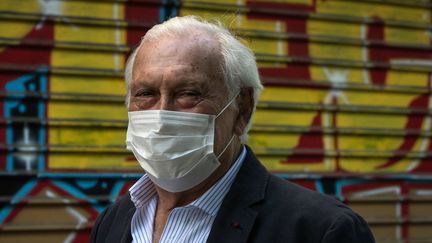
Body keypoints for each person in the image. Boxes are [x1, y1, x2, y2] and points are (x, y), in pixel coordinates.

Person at [90, 15, 375, 243]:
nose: (162, 114)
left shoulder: (320, 231)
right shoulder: (113, 223)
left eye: (188, 92)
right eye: (145, 93)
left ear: (242, 108)